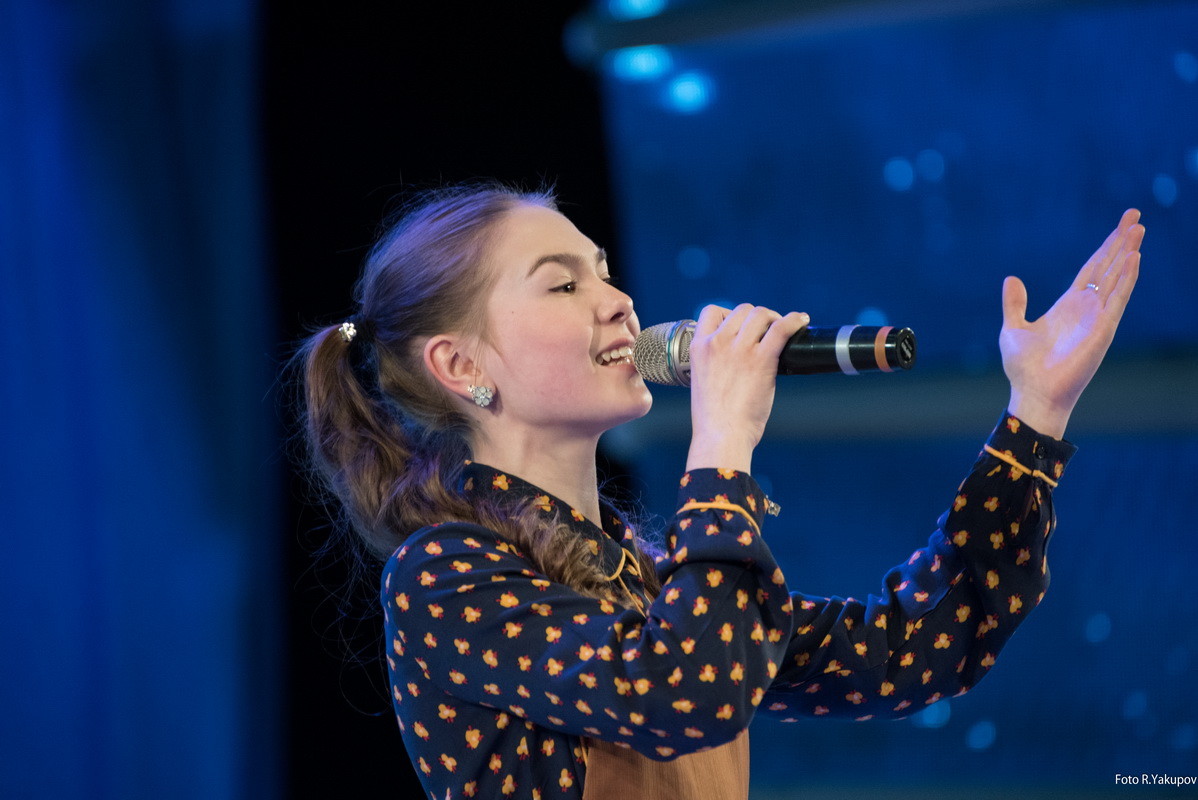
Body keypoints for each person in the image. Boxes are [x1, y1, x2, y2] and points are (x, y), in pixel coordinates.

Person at [297, 183, 1142, 799]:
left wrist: (1036, 413)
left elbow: (919, 647)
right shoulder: (444, 576)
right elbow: (682, 691)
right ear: (460, 365)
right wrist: (722, 440)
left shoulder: (653, 577)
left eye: (604, 273)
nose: (620, 302)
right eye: (565, 284)